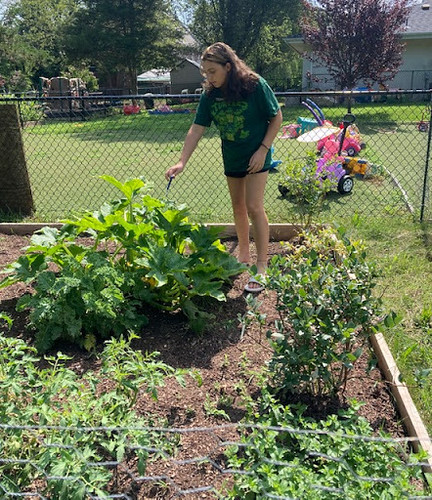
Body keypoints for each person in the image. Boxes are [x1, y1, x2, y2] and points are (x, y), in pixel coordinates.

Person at [165, 42, 282, 293]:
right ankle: (243, 255)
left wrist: (263, 149)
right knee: (238, 207)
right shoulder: (210, 94)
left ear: (228, 66)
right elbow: (197, 128)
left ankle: (262, 266)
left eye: (212, 71)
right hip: (232, 156)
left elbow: (276, 117)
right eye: (205, 72)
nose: (208, 77)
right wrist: (182, 161)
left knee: (253, 206)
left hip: (257, 156)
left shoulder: (254, 85)